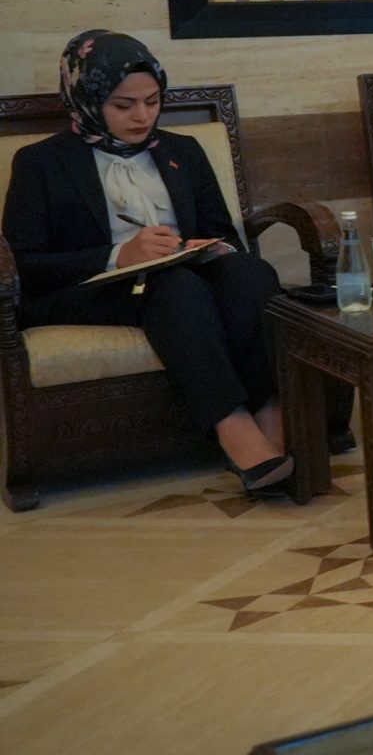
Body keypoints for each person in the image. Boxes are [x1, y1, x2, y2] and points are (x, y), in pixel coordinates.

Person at [3, 31, 296, 496]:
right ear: (87, 100)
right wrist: (120, 254)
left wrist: (207, 246)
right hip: (92, 289)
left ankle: (270, 411)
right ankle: (233, 427)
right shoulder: (40, 163)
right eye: (124, 105)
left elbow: (224, 232)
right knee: (175, 286)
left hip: (182, 271)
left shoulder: (182, 151)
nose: (142, 116)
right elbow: (28, 264)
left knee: (249, 272)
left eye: (153, 101)